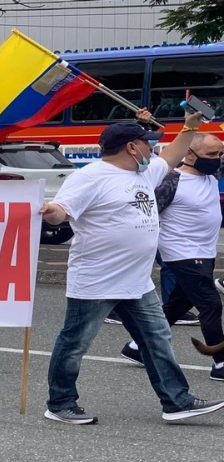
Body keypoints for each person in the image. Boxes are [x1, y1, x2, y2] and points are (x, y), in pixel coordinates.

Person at [40, 109, 224, 424]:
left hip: (137, 281)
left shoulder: (144, 172)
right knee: (74, 343)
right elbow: (61, 211)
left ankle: (177, 401)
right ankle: (60, 403)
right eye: (147, 143)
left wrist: (190, 127)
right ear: (131, 147)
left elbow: (171, 157)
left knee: (157, 339)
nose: (152, 149)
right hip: (97, 281)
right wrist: (50, 211)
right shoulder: (89, 176)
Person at [119, 133, 224, 379]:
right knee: (210, 304)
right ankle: (220, 364)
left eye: (220, 154)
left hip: (205, 252)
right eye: (211, 155)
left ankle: (136, 347)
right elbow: (146, 214)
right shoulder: (172, 181)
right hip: (181, 253)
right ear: (189, 154)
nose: (217, 159)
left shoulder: (211, 174)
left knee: (178, 304)